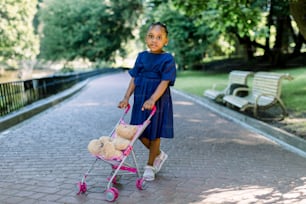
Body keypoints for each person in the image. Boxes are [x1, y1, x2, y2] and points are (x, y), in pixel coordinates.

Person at [118, 22, 176, 181]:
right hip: (140, 98)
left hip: (157, 100)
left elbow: (165, 82)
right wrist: (125, 97)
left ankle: (150, 165)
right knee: (137, 131)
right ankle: (158, 154)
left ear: (166, 40)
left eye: (159, 37)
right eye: (151, 36)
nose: (154, 40)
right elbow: (135, 78)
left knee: (154, 133)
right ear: (145, 38)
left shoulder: (167, 59)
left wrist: (152, 99)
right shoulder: (142, 56)